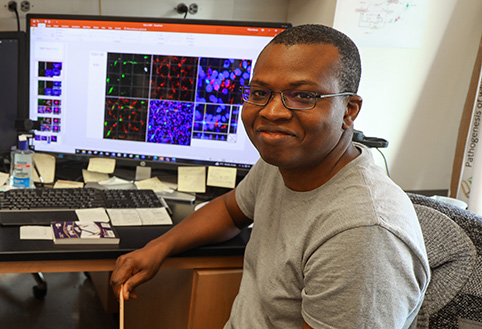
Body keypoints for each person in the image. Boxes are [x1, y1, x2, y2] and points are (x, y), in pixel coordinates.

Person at [111, 24, 429, 328]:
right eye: (260, 92)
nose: (272, 112)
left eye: (303, 96)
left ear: (349, 110)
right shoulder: (286, 163)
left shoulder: (362, 236)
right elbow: (230, 210)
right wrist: (159, 247)